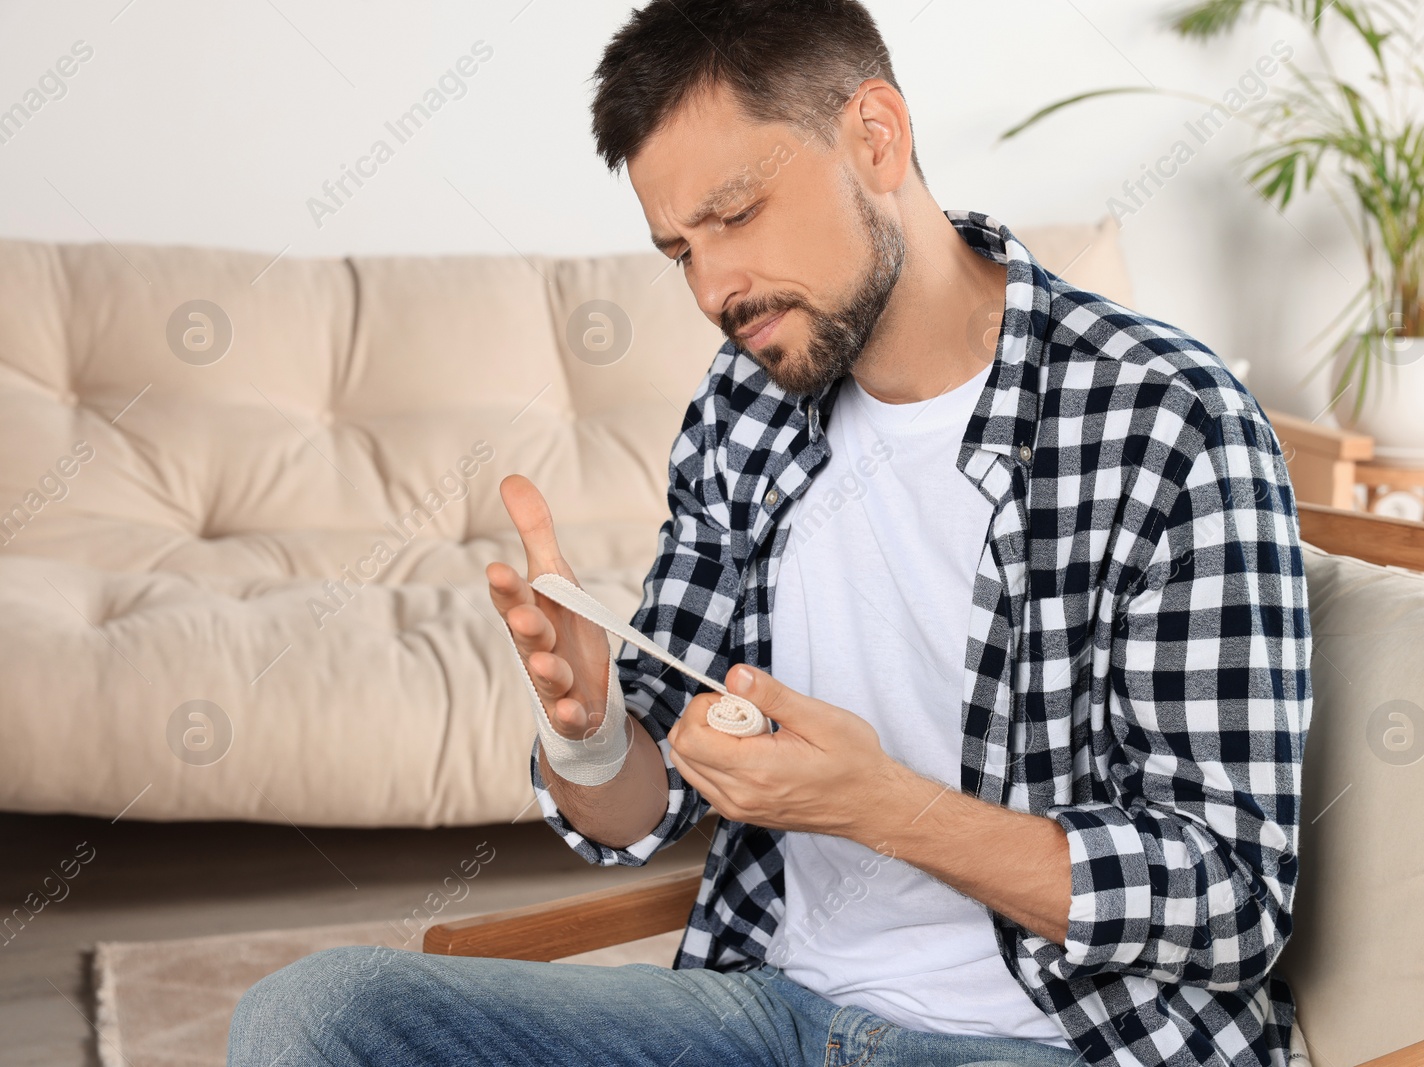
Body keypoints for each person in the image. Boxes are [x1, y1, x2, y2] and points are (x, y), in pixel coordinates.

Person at [229, 1, 1312, 1064]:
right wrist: (591, 727)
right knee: (319, 1012)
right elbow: (637, 815)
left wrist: (889, 809)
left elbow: (1231, 901)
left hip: (1052, 1037)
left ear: (874, 137)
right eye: (678, 250)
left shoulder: (1166, 420)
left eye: (736, 215)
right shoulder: (743, 408)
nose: (713, 288)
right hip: (770, 1011)